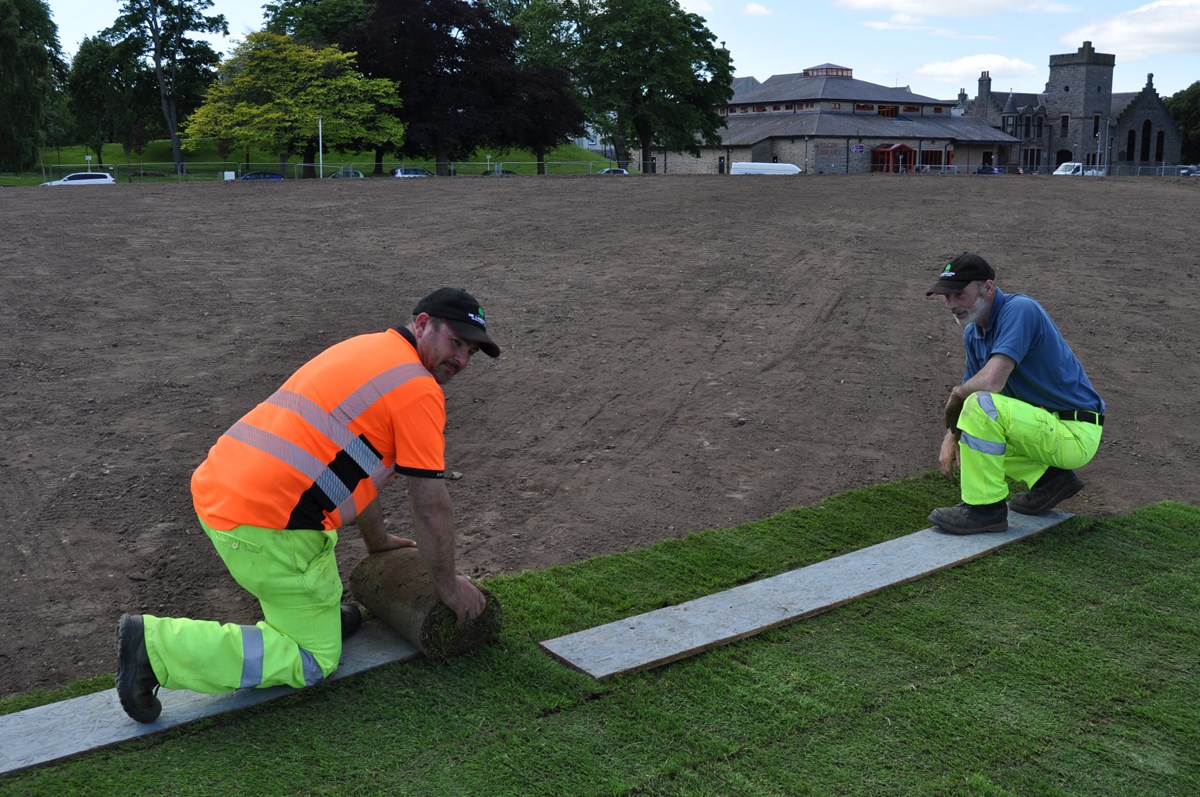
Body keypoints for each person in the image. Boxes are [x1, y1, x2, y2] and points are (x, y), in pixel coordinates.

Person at [116, 287, 500, 723]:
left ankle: (314, 612)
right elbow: (430, 505)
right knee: (314, 659)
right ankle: (157, 648)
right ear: (424, 323)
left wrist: (377, 542)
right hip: (268, 527)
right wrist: (448, 588)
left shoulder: (369, 348)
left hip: (219, 489)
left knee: (317, 567)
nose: (462, 360)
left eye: (471, 350)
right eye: (456, 342)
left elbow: (351, 462)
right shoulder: (418, 391)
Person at [926, 253, 1105, 535]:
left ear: (988, 288)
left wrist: (958, 396)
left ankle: (985, 511)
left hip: (1075, 432)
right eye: (946, 297)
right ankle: (1050, 480)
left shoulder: (1020, 310)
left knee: (978, 407)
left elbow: (991, 382)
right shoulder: (973, 334)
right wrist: (951, 436)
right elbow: (971, 396)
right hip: (1045, 427)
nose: (952, 305)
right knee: (971, 430)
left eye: (959, 295)